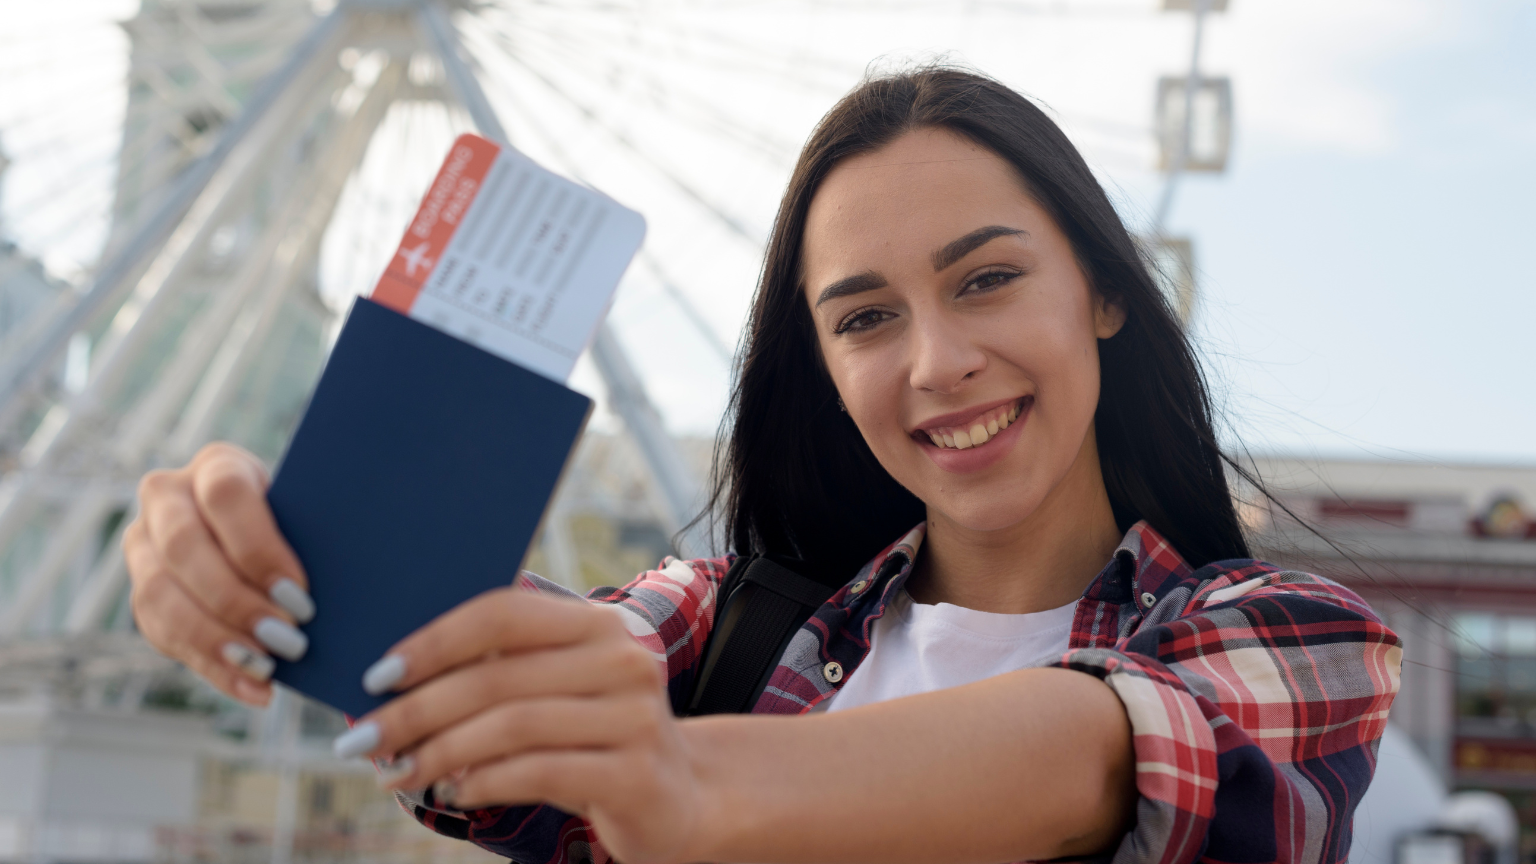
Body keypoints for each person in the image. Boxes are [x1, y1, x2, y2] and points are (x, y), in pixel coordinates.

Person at [123, 67, 1402, 864]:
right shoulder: (711, 623)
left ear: (1108, 295)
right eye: (865, 318)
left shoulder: (1292, 639)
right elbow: (505, 672)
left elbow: (1099, 751)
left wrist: (684, 788)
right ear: (826, 367)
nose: (938, 360)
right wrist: (280, 557)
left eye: (990, 279)